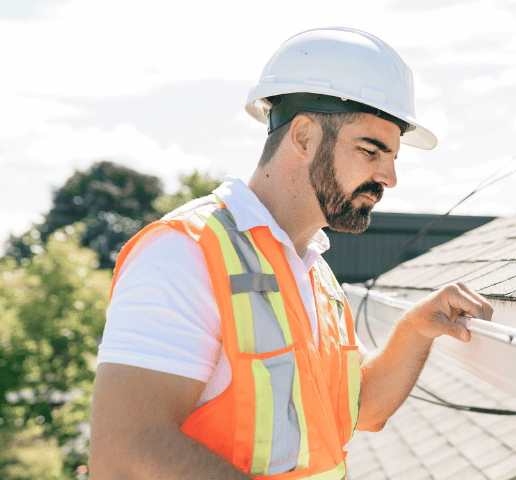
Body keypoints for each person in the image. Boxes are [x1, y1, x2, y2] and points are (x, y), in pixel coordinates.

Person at [89, 27, 493, 479]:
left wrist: (416, 328)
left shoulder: (312, 271)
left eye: (393, 157)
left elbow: (361, 410)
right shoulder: (184, 253)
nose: (389, 177)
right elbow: (122, 453)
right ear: (303, 137)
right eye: (371, 151)